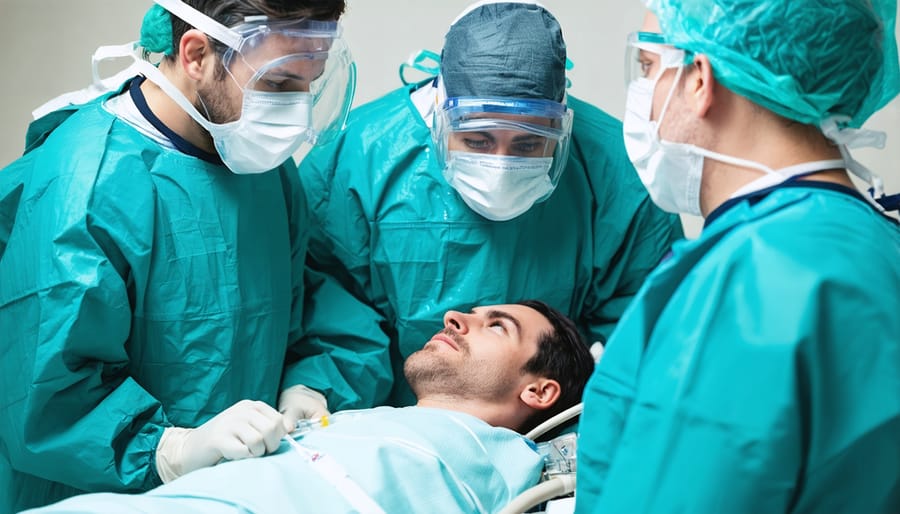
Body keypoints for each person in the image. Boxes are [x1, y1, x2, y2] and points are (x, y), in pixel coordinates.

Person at [0, 1, 367, 511]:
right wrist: (170, 450)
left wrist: (308, 382)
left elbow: (302, 304)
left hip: (231, 492)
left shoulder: (255, 162)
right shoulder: (85, 187)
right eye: (280, 85)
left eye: (310, 82)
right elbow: (43, 392)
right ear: (196, 54)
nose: (295, 109)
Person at [576, 0, 900, 512]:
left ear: (700, 80)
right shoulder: (876, 240)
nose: (643, 94)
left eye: (647, 69)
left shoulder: (752, 277)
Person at [294, 0, 684, 412]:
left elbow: (636, 331)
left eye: (529, 143)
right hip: (387, 420)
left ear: (559, 122)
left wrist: (571, 432)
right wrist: (319, 389)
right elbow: (335, 311)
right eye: (478, 141)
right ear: (440, 114)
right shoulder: (358, 159)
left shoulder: (615, 174)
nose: (500, 164)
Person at [24, 301, 595, 514]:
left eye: (496, 325)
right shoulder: (362, 422)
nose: (455, 318)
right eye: (469, 311)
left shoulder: (518, 473)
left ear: (540, 393)